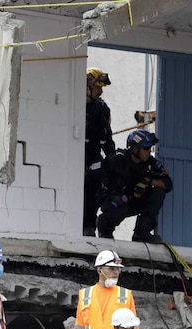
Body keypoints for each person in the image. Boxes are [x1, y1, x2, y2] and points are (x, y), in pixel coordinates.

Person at [96, 129, 172, 243]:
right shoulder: (117, 160)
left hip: (132, 201)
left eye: (150, 148)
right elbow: (93, 173)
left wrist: (148, 181)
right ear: (135, 148)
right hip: (113, 201)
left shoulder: (150, 163)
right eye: (146, 148)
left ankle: (141, 233)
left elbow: (168, 184)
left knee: (158, 193)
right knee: (121, 202)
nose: (149, 152)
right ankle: (104, 227)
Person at [84, 68, 115, 237]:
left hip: (93, 157)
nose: (101, 91)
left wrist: (112, 159)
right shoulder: (72, 105)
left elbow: (107, 137)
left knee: (94, 189)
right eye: (98, 87)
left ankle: (89, 226)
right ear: (87, 85)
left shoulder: (102, 109)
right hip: (74, 157)